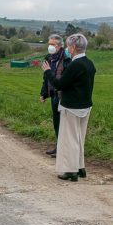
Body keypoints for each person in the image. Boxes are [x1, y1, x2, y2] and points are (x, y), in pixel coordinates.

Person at [42, 33, 96, 182]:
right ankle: (80, 167)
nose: (67, 49)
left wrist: (47, 72)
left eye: (67, 46)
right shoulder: (89, 63)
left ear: (73, 47)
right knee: (79, 138)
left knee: (69, 139)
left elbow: (59, 84)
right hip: (85, 106)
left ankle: (70, 171)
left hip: (72, 107)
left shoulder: (75, 65)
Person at [40, 34, 71, 157]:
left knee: (64, 124)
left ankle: (63, 149)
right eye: (49, 44)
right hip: (53, 95)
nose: (50, 47)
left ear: (59, 46)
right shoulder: (49, 58)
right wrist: (43, 93)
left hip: (62, 96)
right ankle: (59, 146)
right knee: (57, 123)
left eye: (52, 44)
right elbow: (46, 77)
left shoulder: (66, 58)